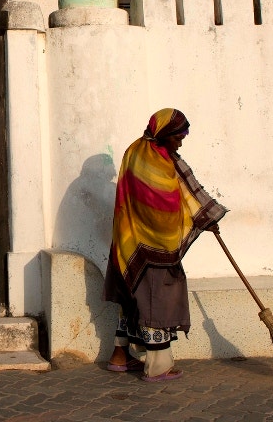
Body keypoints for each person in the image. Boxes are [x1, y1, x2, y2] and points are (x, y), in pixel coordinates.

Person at [103, 108, 227, 382]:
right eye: (178, 136)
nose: (180, 142)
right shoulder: (154, 162)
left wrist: (205, 219)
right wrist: (200, 219)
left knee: (131, 299)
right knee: (156, 301)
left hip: (127, 244)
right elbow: (165, 206)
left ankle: (120, 357)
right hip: (152, 245)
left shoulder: (134, 151)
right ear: (163, 135)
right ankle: (158, 366)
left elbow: (180, 189)